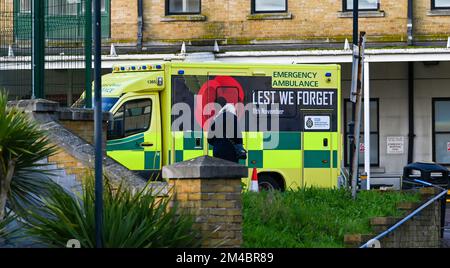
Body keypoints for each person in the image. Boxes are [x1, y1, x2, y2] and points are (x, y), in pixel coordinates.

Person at [207, 97, 244, 163]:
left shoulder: (215, 119)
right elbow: (237, 134)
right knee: (231, 171)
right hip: (230, 150)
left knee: (219, 171)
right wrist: (239, 144)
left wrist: (217, 143)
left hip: (217, 151)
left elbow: (209, 139)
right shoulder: (232, 116)